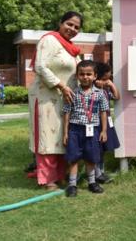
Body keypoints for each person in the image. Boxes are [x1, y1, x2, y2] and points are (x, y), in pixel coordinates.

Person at [28, 11, 82, 190]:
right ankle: (48, 179)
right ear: (60, 22)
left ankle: (59, 175)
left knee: (61, 135)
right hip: (46, 96)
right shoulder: (49, 40)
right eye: (69, 24)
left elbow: (80, 72)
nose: (72, 29)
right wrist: (61, 86)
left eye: (76, 27)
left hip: (65, 98)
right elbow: (40, 66)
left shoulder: (71, 49)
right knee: (47, 136)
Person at [63, 60, 109, 197]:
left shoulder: (100, 94)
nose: (85, 77)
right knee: (73, 158)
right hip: (75, 130)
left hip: (93, 130)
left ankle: (92, 182)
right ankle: (72, 185)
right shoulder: (72, 93)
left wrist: (104, 130)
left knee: (91, 158)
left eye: (89, 74)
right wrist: (65, 133)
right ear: (77, 76)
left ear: (95, 76)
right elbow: (67, 113)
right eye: (82, 74)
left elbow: (103, 112)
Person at [93, 62, 120, 183]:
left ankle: (101, 171)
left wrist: (111, 84)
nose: (108, 79)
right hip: (96, 123)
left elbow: (117, 96)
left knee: (103, 149)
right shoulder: (94, 89)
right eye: (106, 77)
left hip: (106, 122)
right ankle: (96, 173)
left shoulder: (105, 89)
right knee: (96, 148)